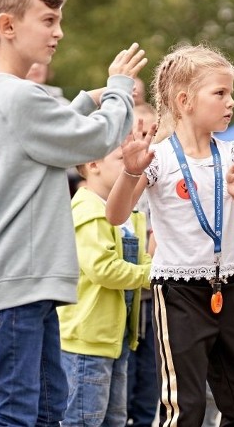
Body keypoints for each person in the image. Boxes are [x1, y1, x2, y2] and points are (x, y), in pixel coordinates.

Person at [0, 0, 146, 426]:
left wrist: (86, 102)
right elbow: (93, 141)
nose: (59, 32)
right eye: (48, 20)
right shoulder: (19, 97)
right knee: (18, 411)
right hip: (19, 277)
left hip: (27, 278)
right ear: (8, 27)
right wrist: (120, 91)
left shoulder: (3, 94)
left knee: (49, 409)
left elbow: (43, 144)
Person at [105, 43, 234, 426]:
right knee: (185, 405)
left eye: (231, 93)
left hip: (228, 287)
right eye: (220, 93)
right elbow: (115, 215)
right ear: (185, 100)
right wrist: (130, 172)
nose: (231, 102)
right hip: (178, 291)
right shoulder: (158, 158)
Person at [57, 145, 152, 427]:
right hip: (88, 341)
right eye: (122, 159)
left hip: (114, 339)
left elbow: (143, 257)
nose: (132, 164)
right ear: (93, 164)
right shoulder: (87, 209)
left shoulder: (127, 214)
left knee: (114, 420)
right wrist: (153, 274)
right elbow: (103, 268)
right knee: (84, 420)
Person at [125, 103, 160, 427]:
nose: (146, 136)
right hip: (125, 291)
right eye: (139, 129)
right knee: (126, 371)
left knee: (151, 373)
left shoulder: (163, 170)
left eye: (152, 129)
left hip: (153, 294)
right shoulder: (120, 175)